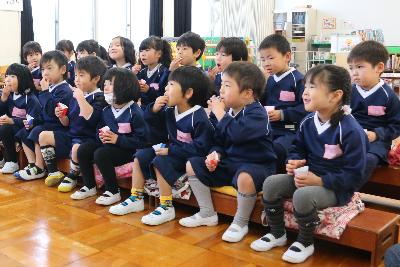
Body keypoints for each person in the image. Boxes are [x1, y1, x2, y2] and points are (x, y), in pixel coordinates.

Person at [251, 65, 368, 264]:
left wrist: (321, 181)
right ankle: (277, 233)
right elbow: (298, 148)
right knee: (271, 183)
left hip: (337, 187)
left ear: (335, 95)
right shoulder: (307, 121)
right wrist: (294, 162)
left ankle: (305, 242)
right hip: (309, 177)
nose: (304, 92)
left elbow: (355, 175)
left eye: (312, 87)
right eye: (305, 86)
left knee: (302, 195)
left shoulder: (349, 129)